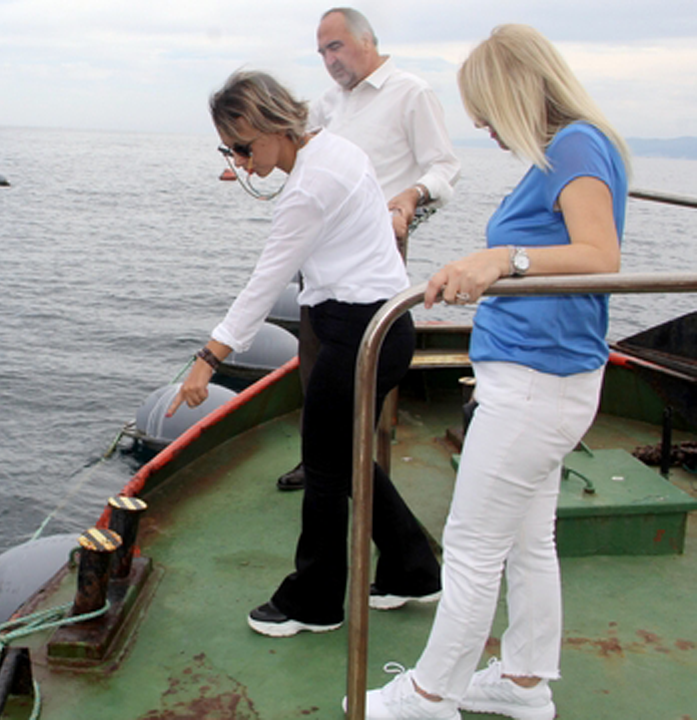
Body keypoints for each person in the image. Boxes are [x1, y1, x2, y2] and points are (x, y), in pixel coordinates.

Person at [356, 24, 629, 720]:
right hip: (549, 380)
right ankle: (523, 681)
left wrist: (502, 258)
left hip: (536, 386)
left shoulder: (575, 145)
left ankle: (429, 694)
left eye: (485, 113)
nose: (484, 129)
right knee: (529, 540)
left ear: (513, 92)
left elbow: (599, 253)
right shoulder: (574, 148)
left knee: (474, 546)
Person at [167, 69, 441, 637]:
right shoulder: (338, 151)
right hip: (386, 324)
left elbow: (265, 281)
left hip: (357, 333)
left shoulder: (309, 189)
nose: (241, 162)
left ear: (274, 125)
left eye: (244, 147)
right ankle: (412, 567)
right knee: (341, 461)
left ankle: (315, 602)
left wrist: (208, 359)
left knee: (322, 469)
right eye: (230, 150)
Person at [277, 6, 461, 492]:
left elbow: (444, 168)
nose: (329, 60)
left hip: (377, 248)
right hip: (320, 250)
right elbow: (295, 144)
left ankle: (362, 461)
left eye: (335, 46)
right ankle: (317, 458)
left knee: (370, 360)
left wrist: (412, 198)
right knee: (315, 354)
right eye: (321, 51)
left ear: (367, 40)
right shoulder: (328, 103)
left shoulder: (411, 93)